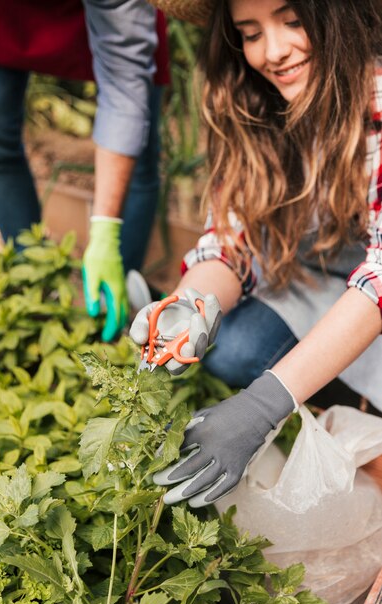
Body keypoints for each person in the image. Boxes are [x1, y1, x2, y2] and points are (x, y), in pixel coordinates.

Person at [131, 0, 382, 507]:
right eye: (250, 33)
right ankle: (341, 397)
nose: (273, 52)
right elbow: (231, 240)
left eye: (293, 22)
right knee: (235, 343)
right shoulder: (257, 105)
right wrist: (189, 303)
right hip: (331, 281)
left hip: (368, 289)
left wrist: (264, 405)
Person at [0, 0, 170, 341]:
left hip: (115, 13)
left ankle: (115, 297)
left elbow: (124, 85)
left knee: (140, 145)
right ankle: (37, 284)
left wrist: (106, 231)